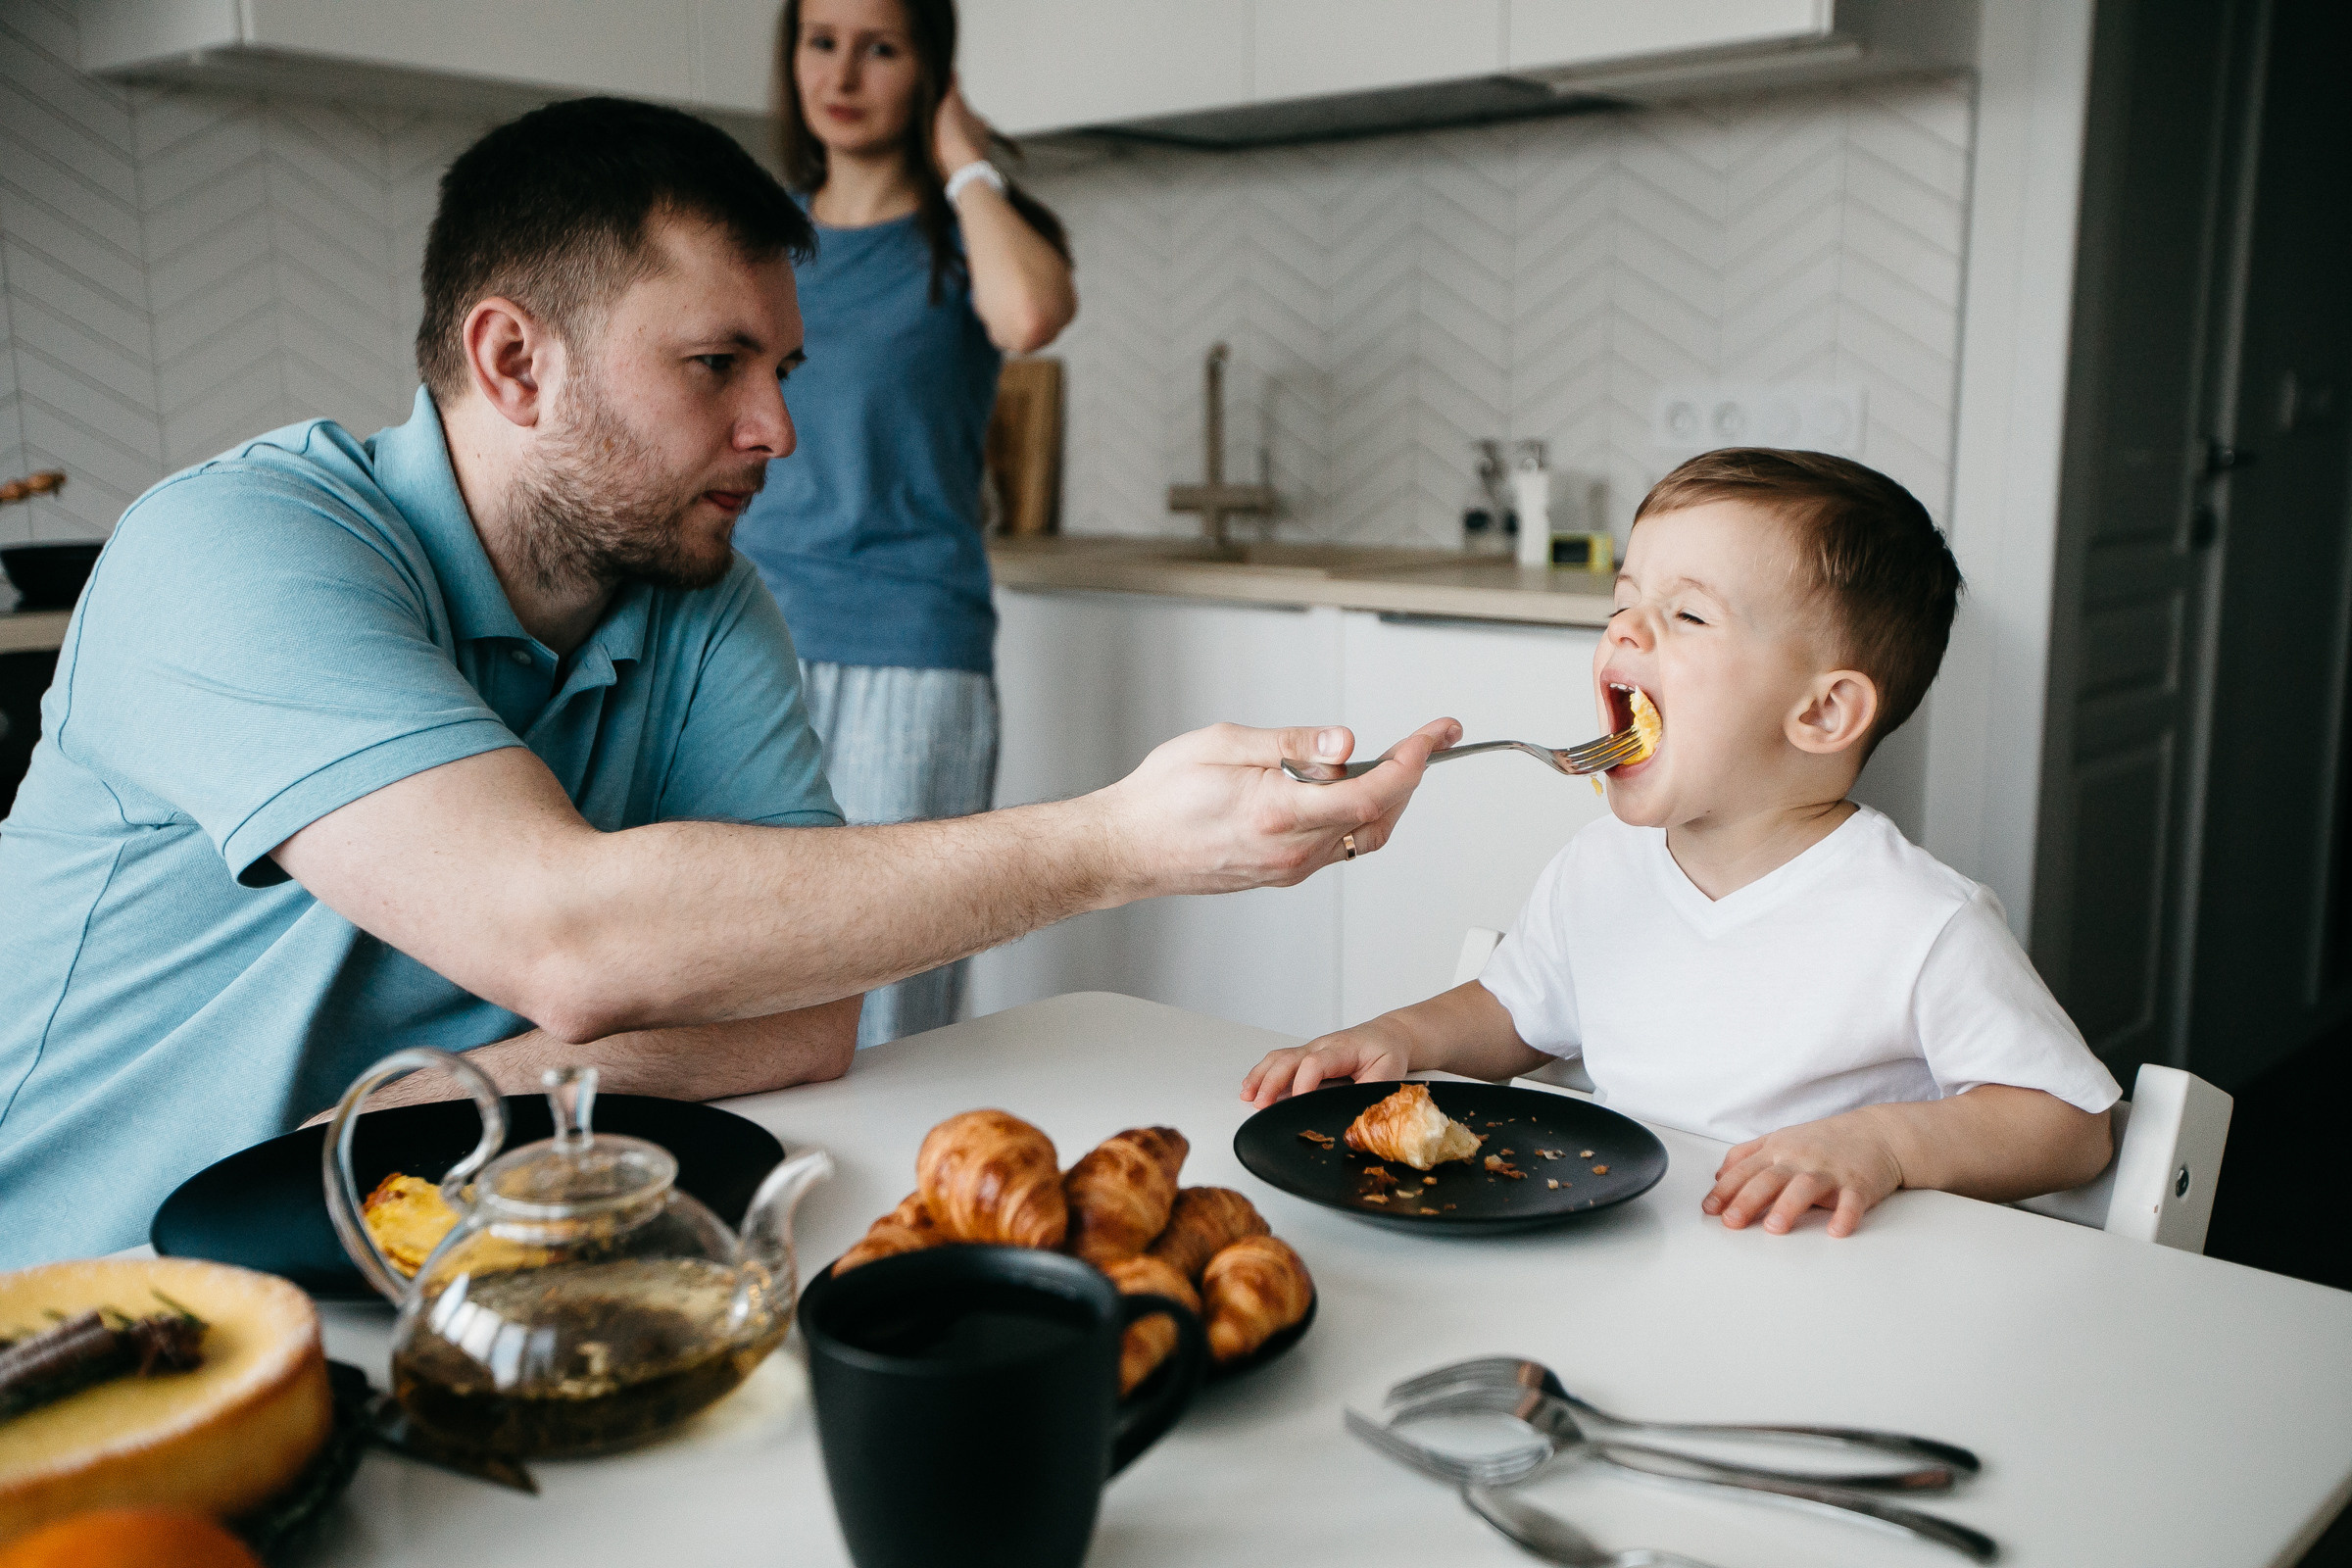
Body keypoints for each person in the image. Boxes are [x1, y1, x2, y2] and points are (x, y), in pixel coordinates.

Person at [0, 97, 1454, 1268]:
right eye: (715, 365)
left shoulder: (698, 596)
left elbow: (806, 1011)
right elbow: (566, 935)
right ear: (514, 362)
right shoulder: (233, 547)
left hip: (419, 1248)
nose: (777, 429)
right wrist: (1115, 841)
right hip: (77, 1288)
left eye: (785, 369)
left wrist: (464, 1096)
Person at [1241, 450, 2121, 1238]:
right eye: (1623, 603)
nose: (1624, 630)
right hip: (1622, 1255)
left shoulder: (1920, 921)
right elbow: (1513, 1012)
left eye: (1688, 616)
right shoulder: (1600, 868)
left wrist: (1884, 1145)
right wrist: (1398, 1035)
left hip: (1814, 1289)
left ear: (1823, 712)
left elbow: (2070, 1126)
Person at [730, 0, 1075, 1048]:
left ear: (931, 70)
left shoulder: (963, 235)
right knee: (743, 976)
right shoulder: (759, 236)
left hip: (910, 655)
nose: (842, 74)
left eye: (881, 48)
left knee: (892, 1008)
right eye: (821, 41)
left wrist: (964, 159)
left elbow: (1030, 316)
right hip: (745, 644)